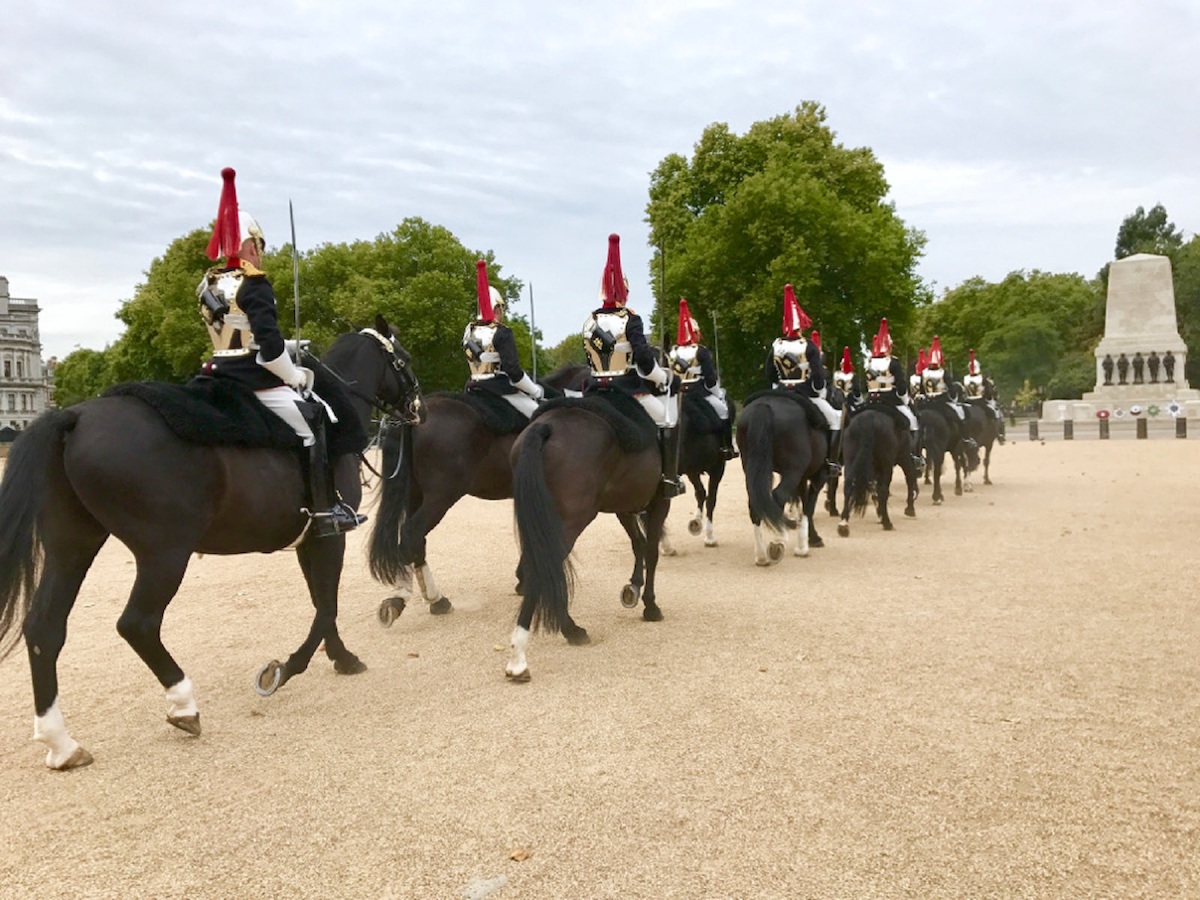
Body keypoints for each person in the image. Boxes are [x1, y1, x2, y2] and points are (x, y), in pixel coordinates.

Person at [197, 167, 365, 537]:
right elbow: (268, 352)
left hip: (216, 371)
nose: (260, 255)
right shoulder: (254, 283)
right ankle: (326, 510)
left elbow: (237, 335)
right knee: (315, 418)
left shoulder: (208, 283)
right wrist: (295, 376)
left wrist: (289, 347)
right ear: (251, 245)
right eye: (259, 247)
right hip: (254, 379)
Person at [582, 234, 684, 498]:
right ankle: (668, 478)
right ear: (623, 292)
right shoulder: (631, 319)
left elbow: (588, 359)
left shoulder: (589, 322)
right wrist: (662, 378)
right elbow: (645, 362)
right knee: (667, 417)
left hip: (594, 388)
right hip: (627, 389)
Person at [765, 284, 842, 471]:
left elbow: (769, 373)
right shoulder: (808, 345)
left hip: (781, 391)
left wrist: (780, 385)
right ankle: (831, 462)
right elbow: (817, 376)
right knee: (835, 419)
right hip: (805, 393)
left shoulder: (776, 345)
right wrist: (817, 390)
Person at [463, 260, 543, 418]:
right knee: (539, 417)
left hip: (472, 387)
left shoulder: (469, 331)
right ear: (497, 308)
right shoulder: (502, 332)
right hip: (497, 389)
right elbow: (513, 370)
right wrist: (535, 390)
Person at [668, 297, 737, 459]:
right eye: (697, 333)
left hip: (677, 394)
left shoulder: (673, 352)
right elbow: (710, 379)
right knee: (724, 410)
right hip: (698, 392)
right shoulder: (700, 351)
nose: (699, 336)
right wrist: (718, 393)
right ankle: (726, 447)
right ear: (694, 333)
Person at [864, 318, 923, 471]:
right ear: (889, 346)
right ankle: (915, 456)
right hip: (890, 400)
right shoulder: (893, 362)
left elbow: (862, 384)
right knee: (913, 421)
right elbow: (902, 386)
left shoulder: (868, 362)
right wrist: (905, 400)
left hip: (870, 401)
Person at [961, 349, 1007, 442]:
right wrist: (989, 397)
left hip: (967, 401)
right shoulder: (982, 378)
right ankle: (998, 434)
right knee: (994, 414)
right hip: (980, 401)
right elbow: (988, 392)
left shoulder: (965, 378)